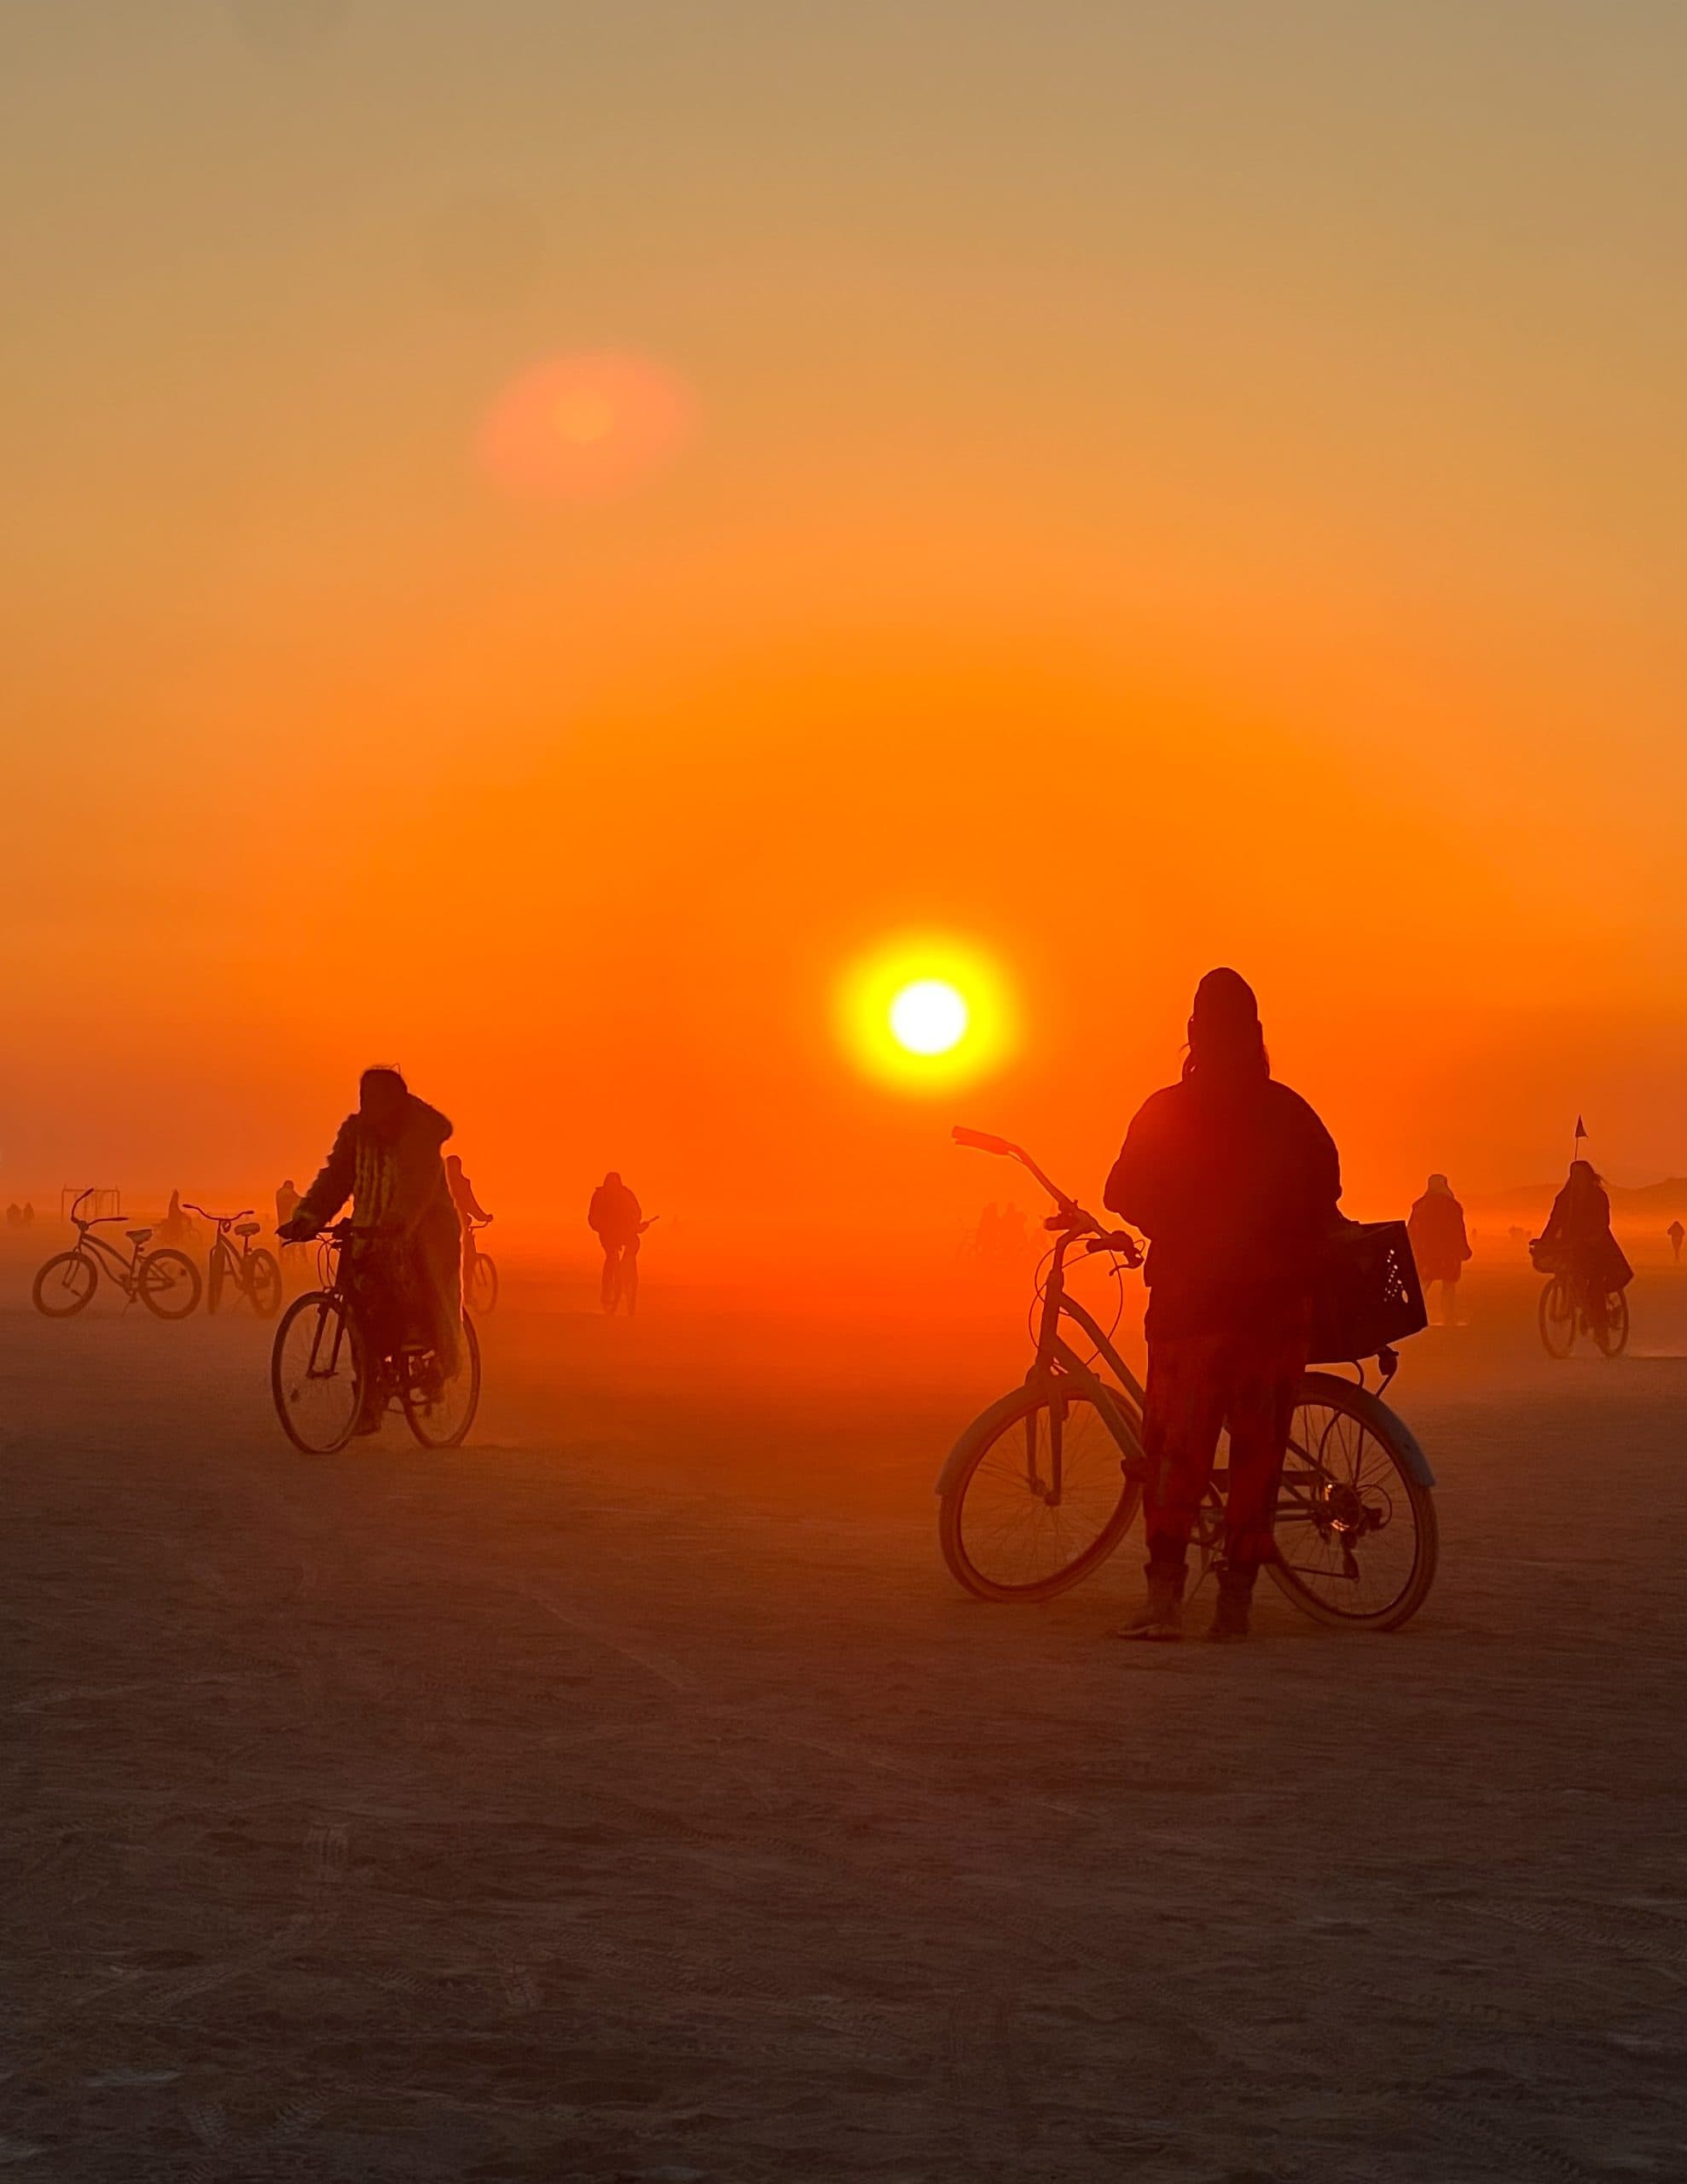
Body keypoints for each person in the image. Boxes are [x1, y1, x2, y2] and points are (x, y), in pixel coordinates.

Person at [1103, 968, 1342, 1643]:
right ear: (1258, 1036)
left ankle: (1164, 1602)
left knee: (1176, 1456)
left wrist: (1174, 1219)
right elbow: (1327, 1189)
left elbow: (1120, 1190)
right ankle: (1234, 1605)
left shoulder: (1166, 1111)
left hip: (1192, 1312)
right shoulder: (1290, 1111)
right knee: (1257, 1460)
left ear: (1191, 1035)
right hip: (1276, 1315)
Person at [279, 1067, 461, 1425]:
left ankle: (436, 1364)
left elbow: (416, 1185)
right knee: (359, 1307)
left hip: (422, 1231)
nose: (367, 1106)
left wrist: (397, 1223)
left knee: (420, 1300)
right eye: (363, 1098)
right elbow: (337, 1176)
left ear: (395, 1101)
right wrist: (309, 1215)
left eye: (374, 1098)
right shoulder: (356, 1133)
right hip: (368, 1230)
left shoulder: (418, 1133)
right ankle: (370, 1389)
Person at [1534, 1159, 1632, 1334]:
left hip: (1597, 1246)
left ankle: (1600, 1326)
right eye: (1573, 1174)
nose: (1576, 1178)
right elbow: (1554, 1222)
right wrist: (1544, 1241)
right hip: (1571, 1245)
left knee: (1595, 1281)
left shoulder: (1598, 1196)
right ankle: (1580, 1306)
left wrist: (1591, 1239)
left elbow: (1603, 1223)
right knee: (1569, 1272)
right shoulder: (1565, 1197)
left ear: (1588, 1176)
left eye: (1580, 1174)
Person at [1408, 1175, 1471, 1327]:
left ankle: (1413, 1318)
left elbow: (1411, 1230)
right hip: (1448, 1253)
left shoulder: (1420, 1205)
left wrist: (1411, 1248)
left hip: (1426, 1252)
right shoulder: (1452, 1205)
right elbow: (1458, 1230)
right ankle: (1449, 1319)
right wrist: (1463, 1249)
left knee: (1424, 1284)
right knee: (1449, 1287)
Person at [588, 1170, 647, 1312]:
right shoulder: (600, 1196)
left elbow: (636, 1213)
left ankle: (627, 1273)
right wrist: (603, 1228)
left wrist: (636, 1226)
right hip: (608, 1235)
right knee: (611, 1257)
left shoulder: (626, 1195)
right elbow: (593, 1218)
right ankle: (608, 1292)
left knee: (633, 1245)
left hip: (625, 1233)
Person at [445, 1153, 493, 1290]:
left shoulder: (442, 1183)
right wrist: (483, 1217)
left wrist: (482, 1216)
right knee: (466, 1259)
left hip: (451, 1226)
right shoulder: (459, 1183)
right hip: (458, 1226)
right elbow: (470, 1204)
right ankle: (467, 1291)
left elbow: (470, 1204)